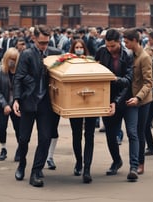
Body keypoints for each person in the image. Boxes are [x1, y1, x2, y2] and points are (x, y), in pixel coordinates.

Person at [95, 28, 140, 181]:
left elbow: (128, 80)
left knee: (132, 132)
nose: (110, 49)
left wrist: (114, 79)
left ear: (119, 42)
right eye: (107, 45)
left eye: (113, 46)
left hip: (127, 99)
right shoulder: (101, 51)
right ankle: (116, 161)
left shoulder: (128, 55)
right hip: (107, 98)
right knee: (110, 134)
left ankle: (134, 166)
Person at [13, 25, 54, 187]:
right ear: (34, 39)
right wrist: (16, 99)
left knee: (45, 138)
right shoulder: (27, 55)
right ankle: (22, 163)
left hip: (46, 103)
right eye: (41, 42)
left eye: (47, 42)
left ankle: (36, 171)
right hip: (28, 101)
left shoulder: (54, 53)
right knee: (24, 139)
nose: (44, 46)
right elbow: (18, 77)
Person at [123, 28, 153, 175]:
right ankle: (134, 164)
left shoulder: (144, 57)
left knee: (139, 132)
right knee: (132, 132)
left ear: (135, 41)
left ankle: (139, 164)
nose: (125, 44)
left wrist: (139, 97)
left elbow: (148, 82)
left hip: (142, 100)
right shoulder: (129, 55)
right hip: (130, 99)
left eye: (127, 41)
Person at [68, 39, 98, 183]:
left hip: (91, 101)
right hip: (75, 102)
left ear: (84, 49)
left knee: (90, 135)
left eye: (81, 47)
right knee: (76, 134)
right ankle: (79, 161)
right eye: (76, 47)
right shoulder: (67, 62)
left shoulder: (91, 62)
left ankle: (87, 168)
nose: (79, 49)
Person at [0, 47, 20, 161]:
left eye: (14, 59)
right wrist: (5, 105)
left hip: (16, 104)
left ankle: (20, 149)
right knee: (2, 127)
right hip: (3, 105)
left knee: (18, 128)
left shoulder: (19, 71)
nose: (12, 61)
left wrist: (16, 103)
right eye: (10, 59)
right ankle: (3, 148)